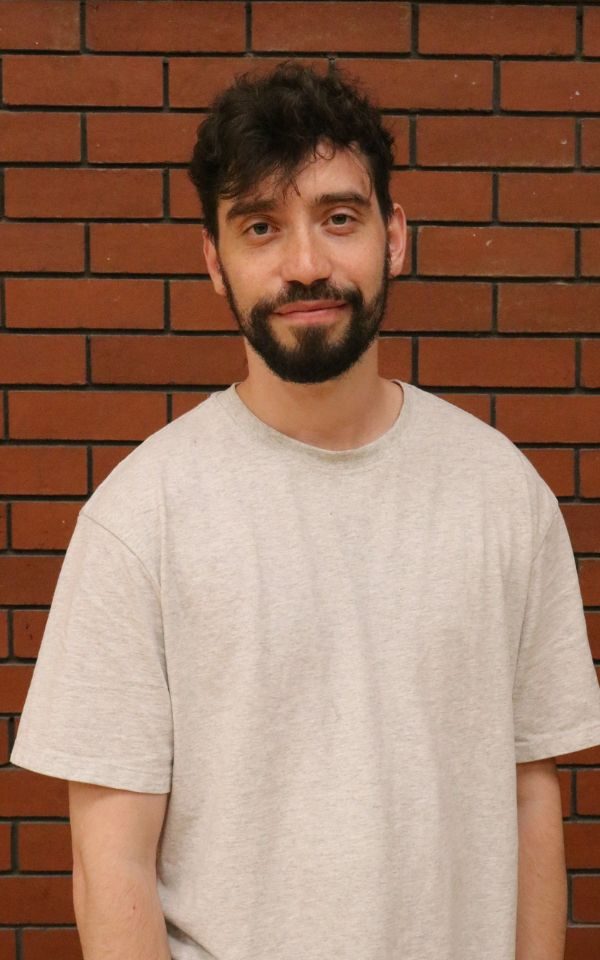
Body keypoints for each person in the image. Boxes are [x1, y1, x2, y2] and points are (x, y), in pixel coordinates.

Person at [10, 62, 600, 960]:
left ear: (393, 236)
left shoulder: (502, 495)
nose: (307, 265)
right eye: (260, 226)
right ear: (214, 262)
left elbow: (528, 797)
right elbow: (110, 867)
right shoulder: (139, 518)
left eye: (338, 216)